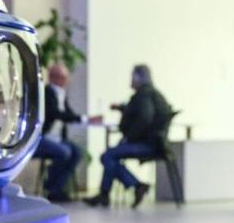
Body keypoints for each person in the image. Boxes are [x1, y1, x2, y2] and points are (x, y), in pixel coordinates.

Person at [84, 65, 171, 209]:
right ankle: (107, 193)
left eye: (132, 77)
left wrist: (129, 137)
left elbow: (144, 118)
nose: (130, 80)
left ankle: (134, 186)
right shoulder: (149, 94)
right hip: (154, 142)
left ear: (138, 78)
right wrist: (123, 108)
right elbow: (141, 112)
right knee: (111, 156)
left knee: (108, 156)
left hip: (148, 144)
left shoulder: (144, 95)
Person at [34, 64, 97, 202]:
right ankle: (50, 185)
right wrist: (81, 118)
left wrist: (85, 118)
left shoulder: (62, 94)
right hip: (43, 138)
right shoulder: (47, 93)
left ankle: (57, 189)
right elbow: (56, 113)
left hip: (57, 138)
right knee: (64, 152)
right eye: (62, 77)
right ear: (53, 77)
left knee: (77, 152)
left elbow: (68, 114)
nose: (65, 80)